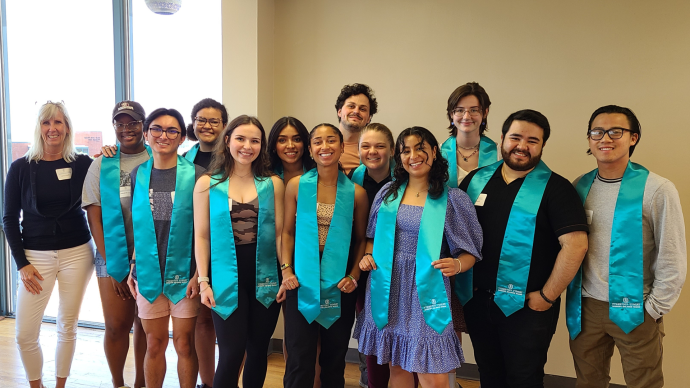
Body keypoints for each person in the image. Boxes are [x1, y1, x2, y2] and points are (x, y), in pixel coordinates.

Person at [458, 109, 589, 388]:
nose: (522, 146)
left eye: (533, 140)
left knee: (524, 379)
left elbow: (575, 245)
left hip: (528, 308)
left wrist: (547, 295)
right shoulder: (475, 182)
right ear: (502, 138)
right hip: (480, 302)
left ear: (542, 146)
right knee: (489, 374)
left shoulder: (557, 189)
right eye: (515, 137)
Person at [567, 105, 687, 388]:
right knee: (588, 382)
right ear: (589, 139)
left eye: (615, 132)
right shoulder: (578, 188)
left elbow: (673, 255)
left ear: (633, 138)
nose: (605, 138)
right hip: (587, 307)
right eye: (597, 132)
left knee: (643, 383)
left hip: (636, 306)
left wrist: (654, 308)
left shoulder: (657, 189)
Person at [355, 126, 483, 388]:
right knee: (398, 369)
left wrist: (457, 264)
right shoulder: (387, 194)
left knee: (433, 378)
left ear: (434, 152)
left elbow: (471, 252)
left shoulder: (452, 199)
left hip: (426, 291)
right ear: (398, 157)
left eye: (420, 148)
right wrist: (368, 255)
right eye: (406, 150)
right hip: (388, 288)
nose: (413, 155)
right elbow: (371, 237)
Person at [4, 101, 95, 388]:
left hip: (77, 253)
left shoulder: (82, 164)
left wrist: (109, 154)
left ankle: (59, 385)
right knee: (24, 333)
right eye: (46, 123)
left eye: (58, 122)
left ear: (67, 128)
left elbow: (100, 199)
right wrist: (22, 263)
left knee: (67, 325)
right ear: (39, 128)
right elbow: (8, 218)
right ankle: (36, 385)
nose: (52, 128)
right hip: (34, 257)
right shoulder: (20, 167)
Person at [193, 115, 284, 387]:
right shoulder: (208, 184)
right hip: (224, 278)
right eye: (241, 139)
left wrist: (285, 274)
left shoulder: (272, 184)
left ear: (262, 146)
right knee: (231, 353)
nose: (247, 146)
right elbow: (201, 236)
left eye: (255, 140)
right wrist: (203, 281)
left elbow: (280, 234)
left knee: (258, 350)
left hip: (265, 275)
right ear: (228, 141)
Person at [281, 123, 369, 388]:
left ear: (342, 147)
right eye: (318, 141)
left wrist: (354, 276)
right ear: (310, 149)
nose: (325, 146)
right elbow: (287, 233)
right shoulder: (296, 186)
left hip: (340, 281)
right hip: (301, 278)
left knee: (334, 357)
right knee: (299, 355)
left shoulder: (357, 193)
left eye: (332, 141)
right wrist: (286, 270)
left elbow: (361, 240)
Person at [126, 108, 206, 388]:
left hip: (185, 273)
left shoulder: (198, 175)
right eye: (157, 129)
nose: (164, 135)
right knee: (154, 344)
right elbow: (141, 226)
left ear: (182, 137)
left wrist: (200, 275)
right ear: (146, 134)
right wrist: (133, 266)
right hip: (148, 273)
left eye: (172, 130)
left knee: (184, 344)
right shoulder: (138, 174)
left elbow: (204, 231)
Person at [82, 101, 149, 388]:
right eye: (120, 124)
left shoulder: (159, 158)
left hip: (150, 255)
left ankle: (142, 382)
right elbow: (94, 218)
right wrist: (113, 263)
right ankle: (118, 383)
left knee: (146, 325)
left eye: (132, 123)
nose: (126, 129)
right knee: (116, 325)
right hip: (112, 254)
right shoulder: (102, 164)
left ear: (143, 125)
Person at [439, 82, 500, 387]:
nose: (467, 116)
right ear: (451, 114)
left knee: (478, 325)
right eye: (460, 110)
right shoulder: (436, 154)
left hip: (488, 251)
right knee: (445, 324)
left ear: (485, 113)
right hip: (442, 250)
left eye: (474, 109)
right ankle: (448, 382)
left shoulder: (499, 156)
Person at [347, 123, 397, 388]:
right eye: (366, 146)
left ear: (391, 150)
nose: (372, 151)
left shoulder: (406, 179)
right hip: (360, 265)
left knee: (396, 331)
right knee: (369, 330)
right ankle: (370, 382)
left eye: (380, 146)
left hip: (398, 268)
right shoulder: (350, 181)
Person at [185, 97, 228, 388]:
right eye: (201, 119)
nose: (207, 125)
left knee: (231, 322)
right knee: (202, 321)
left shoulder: (236, 156)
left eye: (214, 120)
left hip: (230, 251)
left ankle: (228, 380)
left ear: (224, 125)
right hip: (194, 250)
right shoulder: (184, 160)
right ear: (193, 123)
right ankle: (208, 382)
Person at [334, 83, 378, 173]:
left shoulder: (375, 152)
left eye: (363, 109)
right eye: (351, 106)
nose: (356, 111)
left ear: (369, 118)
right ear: (339, 111)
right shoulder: (322, 146)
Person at [267, 116, 314, 183]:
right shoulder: (265, 176)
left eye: (297, 139)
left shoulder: (318, 172)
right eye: (282, 140)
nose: (290, 146)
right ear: (274, 145)